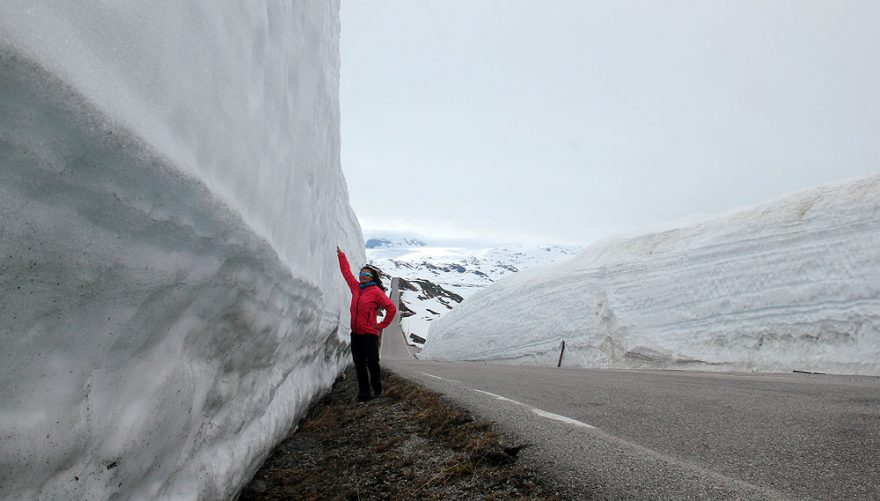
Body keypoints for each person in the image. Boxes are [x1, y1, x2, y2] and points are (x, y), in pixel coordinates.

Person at [336, 246, 397, 402]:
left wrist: (382, 324)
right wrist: (341, 255)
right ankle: (364, 393)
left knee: (372, 362)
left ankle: (377, 388)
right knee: (359, 364)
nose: (363, 276)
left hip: (369, 334)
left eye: (367, 274)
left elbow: (391, 307)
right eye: (362, 273)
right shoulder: (356, 287)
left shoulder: (376, 292)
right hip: (355, 333)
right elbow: (346, 273)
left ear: (372, 277)